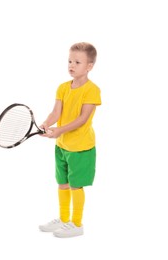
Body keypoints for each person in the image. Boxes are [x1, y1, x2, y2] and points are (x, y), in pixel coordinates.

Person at [39, 42, 101, 238]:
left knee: (76, 185)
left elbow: (82, 119)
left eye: (77, 62)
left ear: (89, 66)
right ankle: (64, 219)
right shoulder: (63, 88)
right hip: (62, 145)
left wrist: (60, 130)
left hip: (81, 147)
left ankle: (76, 224)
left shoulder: (92, 90)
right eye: (69, 61)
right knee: (62, 183)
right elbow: (56, 112)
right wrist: (46, 124)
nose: (71, 65)